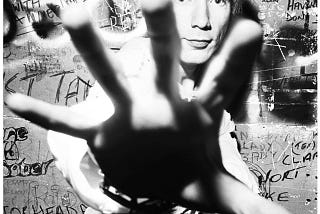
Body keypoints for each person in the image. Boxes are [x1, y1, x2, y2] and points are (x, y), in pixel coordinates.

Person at [6, 0, 292, 213]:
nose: (202, 20)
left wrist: (229, 191)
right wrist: (120, 174)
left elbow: (232, 183)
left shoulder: (206, 99)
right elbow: (82, 147)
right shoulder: (134, 72)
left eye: (217, 0)